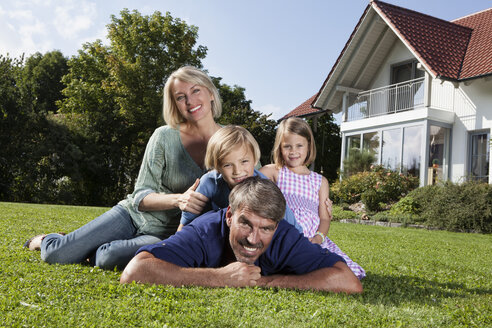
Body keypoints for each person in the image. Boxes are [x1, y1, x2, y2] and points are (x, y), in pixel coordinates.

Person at [24, 66, 222, 270]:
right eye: (181, 97)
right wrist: (179, 199)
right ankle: (48, 239)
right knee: (57, 254)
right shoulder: (163, 136)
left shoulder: (231, 140)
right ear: (175, 104)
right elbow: (141, 196)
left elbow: (248, 187)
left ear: (210, 93)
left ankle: (88, 248)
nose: (190, 101)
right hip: (131, 216)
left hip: (166, 234)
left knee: (106, 258)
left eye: (196, 91)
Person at [120, 177, 363, 294]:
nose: (253, 239)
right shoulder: (205, 230)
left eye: (266, 228)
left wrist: (265, 282)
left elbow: (348, 281)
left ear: (276, 227)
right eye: (246, 224)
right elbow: (134, 272)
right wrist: (220, 277)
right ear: (229, 216)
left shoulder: (286, 237)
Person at [260, 117, 366, 279]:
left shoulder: (320, 181)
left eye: (299, 145)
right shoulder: (274, 172)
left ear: (309, 146)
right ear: (279, 148)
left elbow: (324, 218)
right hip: (285, 237)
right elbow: (250, 182)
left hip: (312, 239)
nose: (293, 151)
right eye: (287, 146)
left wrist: (319, 237)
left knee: (340, 270)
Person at [177, 125, 303, 233]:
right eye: (227, 165)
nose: (238, 171)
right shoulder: (209, 182)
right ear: (217, 167)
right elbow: (185, 226)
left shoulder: (266, 188)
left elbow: (295, 229)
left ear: (254, 159)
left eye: (244, 161)